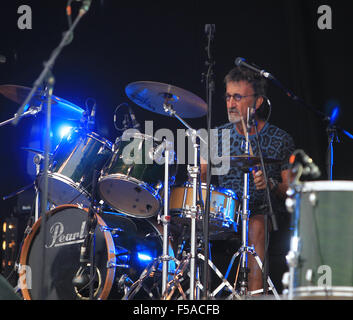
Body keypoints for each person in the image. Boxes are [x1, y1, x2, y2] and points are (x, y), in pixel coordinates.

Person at [200, 66, 295, 294]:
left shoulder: (281, 139)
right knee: (175, 218)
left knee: (256, 223)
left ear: (259, 102)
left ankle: (254, 296)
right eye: (228, 96)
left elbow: (291, 191)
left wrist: (271, 184)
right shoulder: (216, 135)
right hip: (225, 212)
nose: (230, 103)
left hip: (263, 211)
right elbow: (201, 178)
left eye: (238, 97)